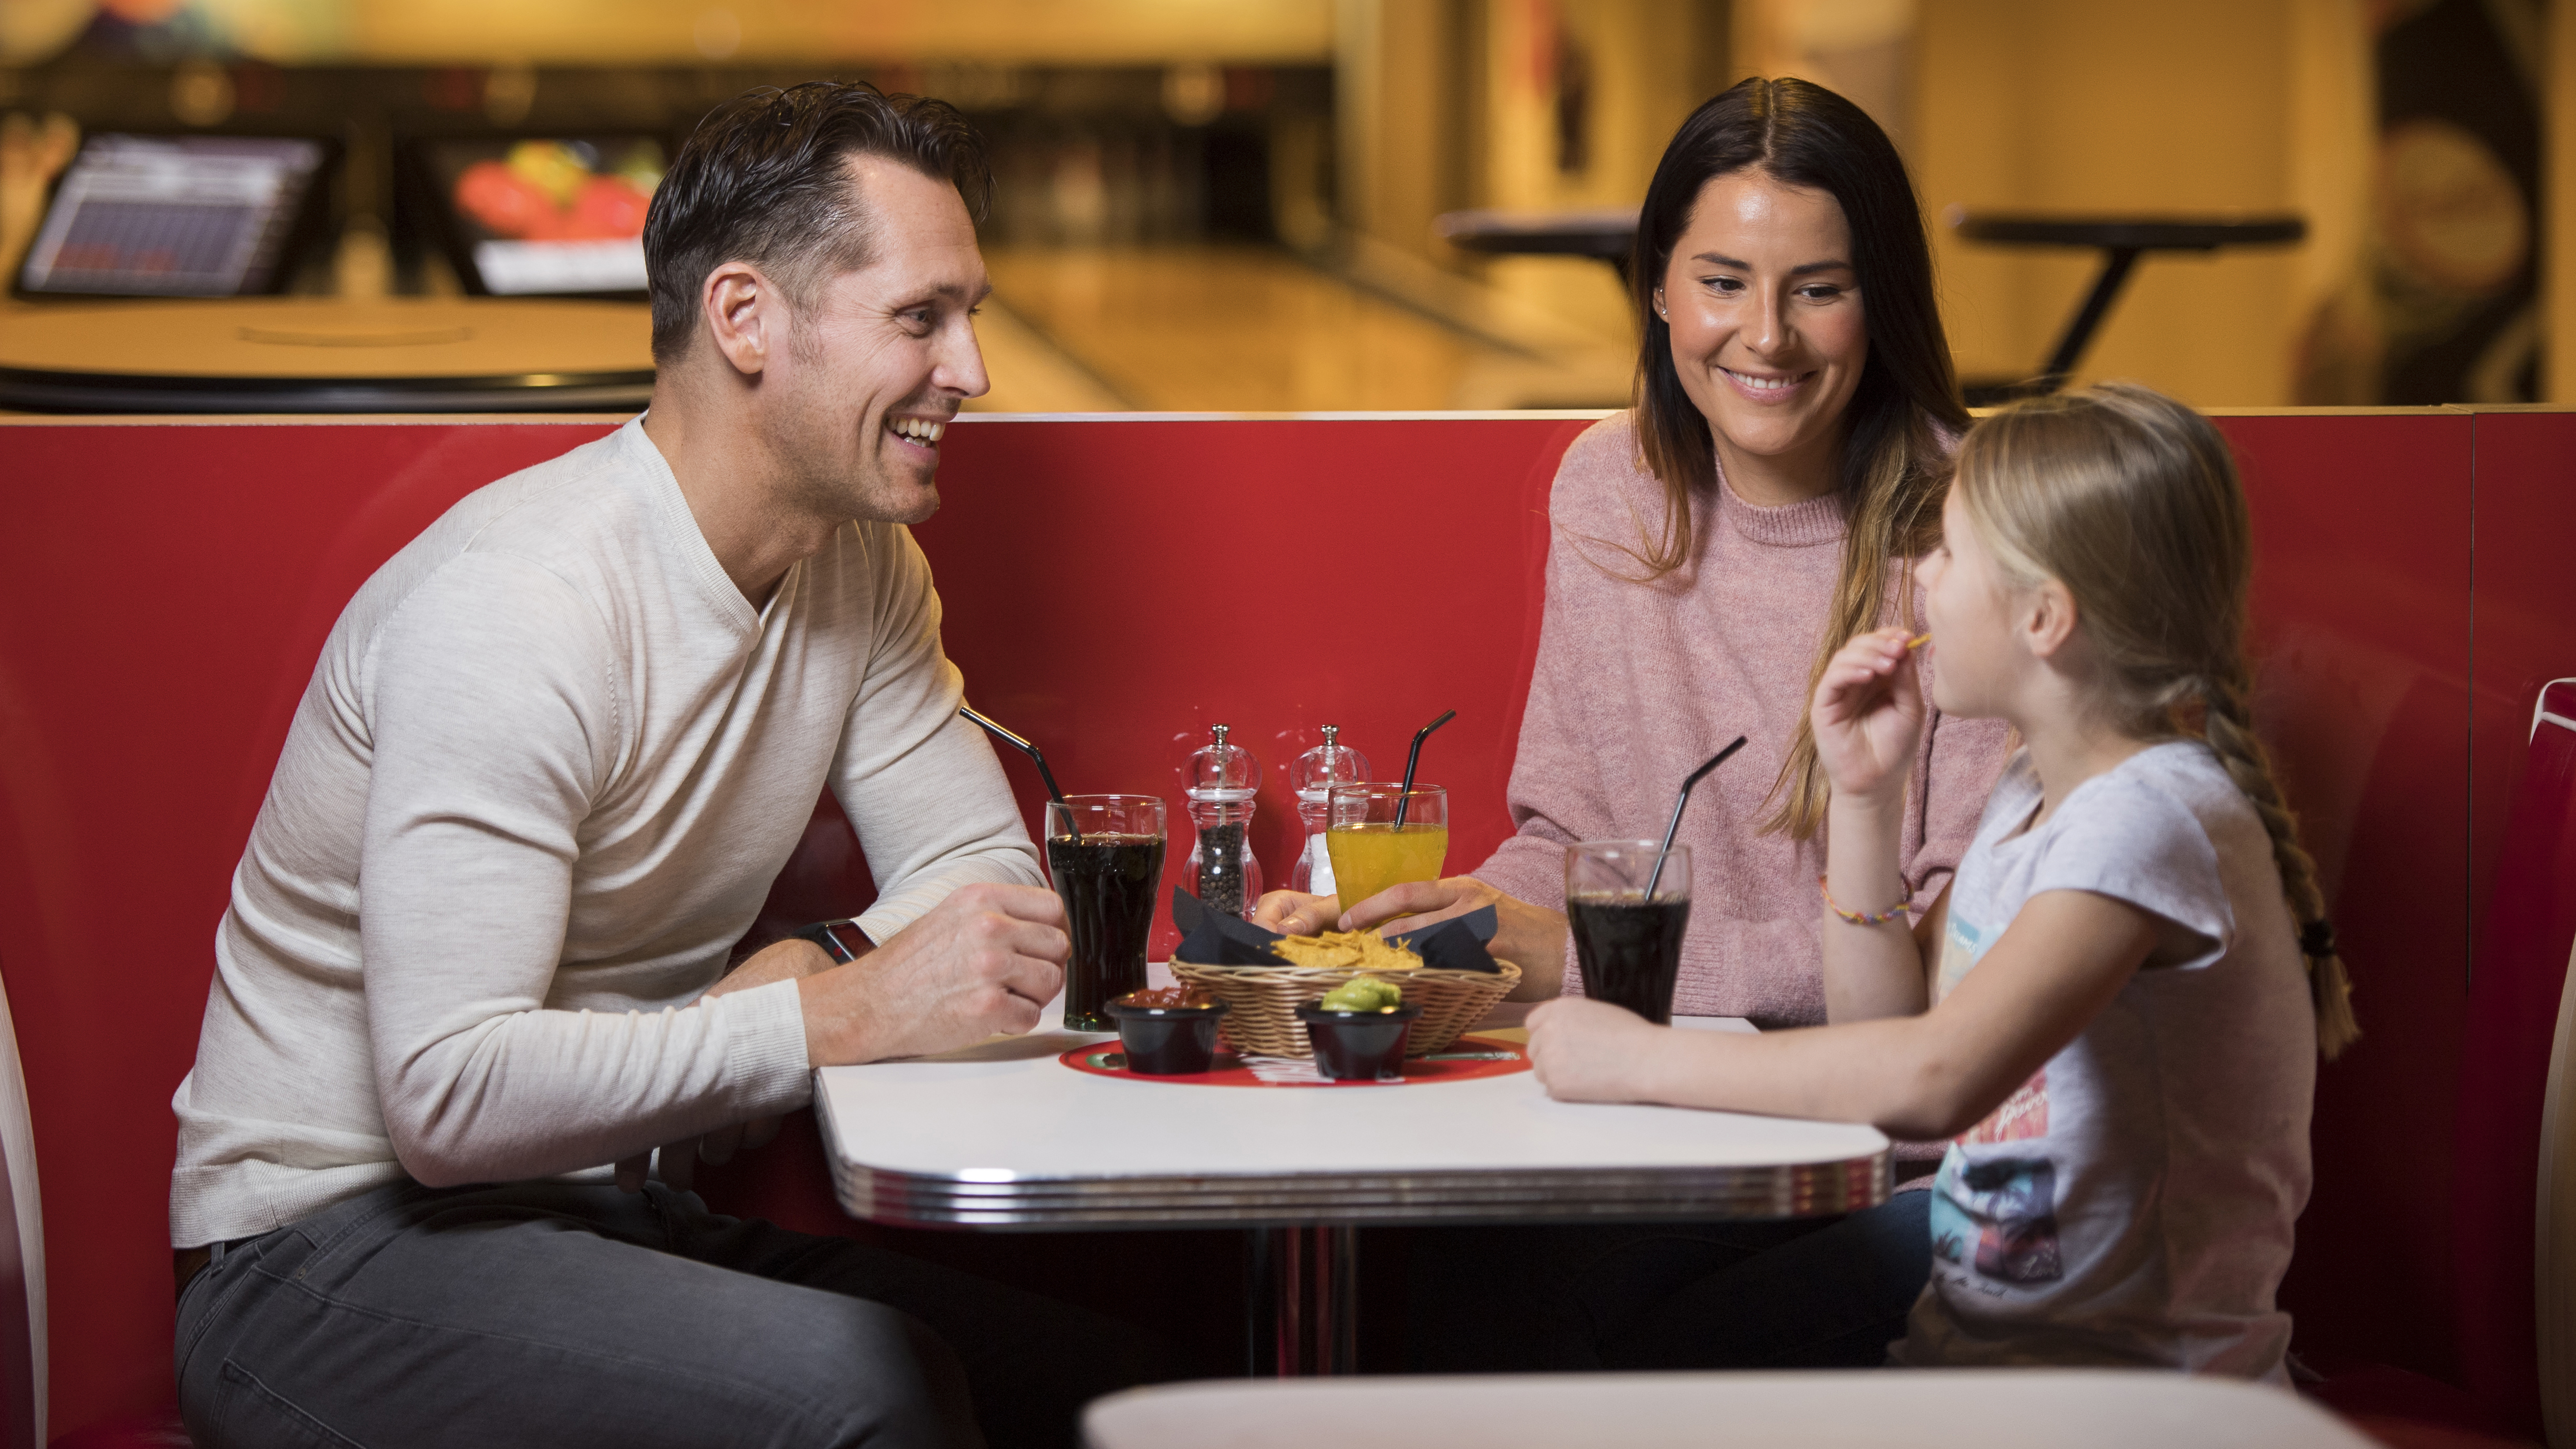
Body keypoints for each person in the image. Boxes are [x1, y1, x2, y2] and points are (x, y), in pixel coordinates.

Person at [168, 83, 1157, 1448]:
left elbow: (980, 879)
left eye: (969, 316)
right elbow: (448, 1099)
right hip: (318, 1258)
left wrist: (820, 960)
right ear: (746, 320)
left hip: (592, 1217)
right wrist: (837, 1011)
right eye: (921, 317)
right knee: (868, 1395)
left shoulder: (856, 566)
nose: (972, 370)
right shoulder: (518, 603)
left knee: (1108, 1384)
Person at [1258, 78, 2010, 1369]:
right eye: (1722, 280)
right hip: (1678, 1116)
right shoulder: (1611, 488)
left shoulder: (1975, 534)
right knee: (1438, 1283)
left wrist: (1603, 965)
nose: (1764, 336)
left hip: (1897, 1156)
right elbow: (1577, 836)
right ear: (1657, 288)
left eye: (1818, 287)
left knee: (1568, 1329)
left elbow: (1955, 961)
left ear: (1882, 296)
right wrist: (1448, 920)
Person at [1529, 382, 2361, 1377]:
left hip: (2130, 1403)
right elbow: (1883, 1027)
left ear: (2045, 617)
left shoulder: (2149, 818)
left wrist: (1635, 1061)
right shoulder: (2031, 791)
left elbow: (1932, 1080)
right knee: (1585, 1288)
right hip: (1980, 1360)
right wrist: (1866, 801)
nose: (1916, 574)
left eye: (1949, 552)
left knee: (1655, 1356)